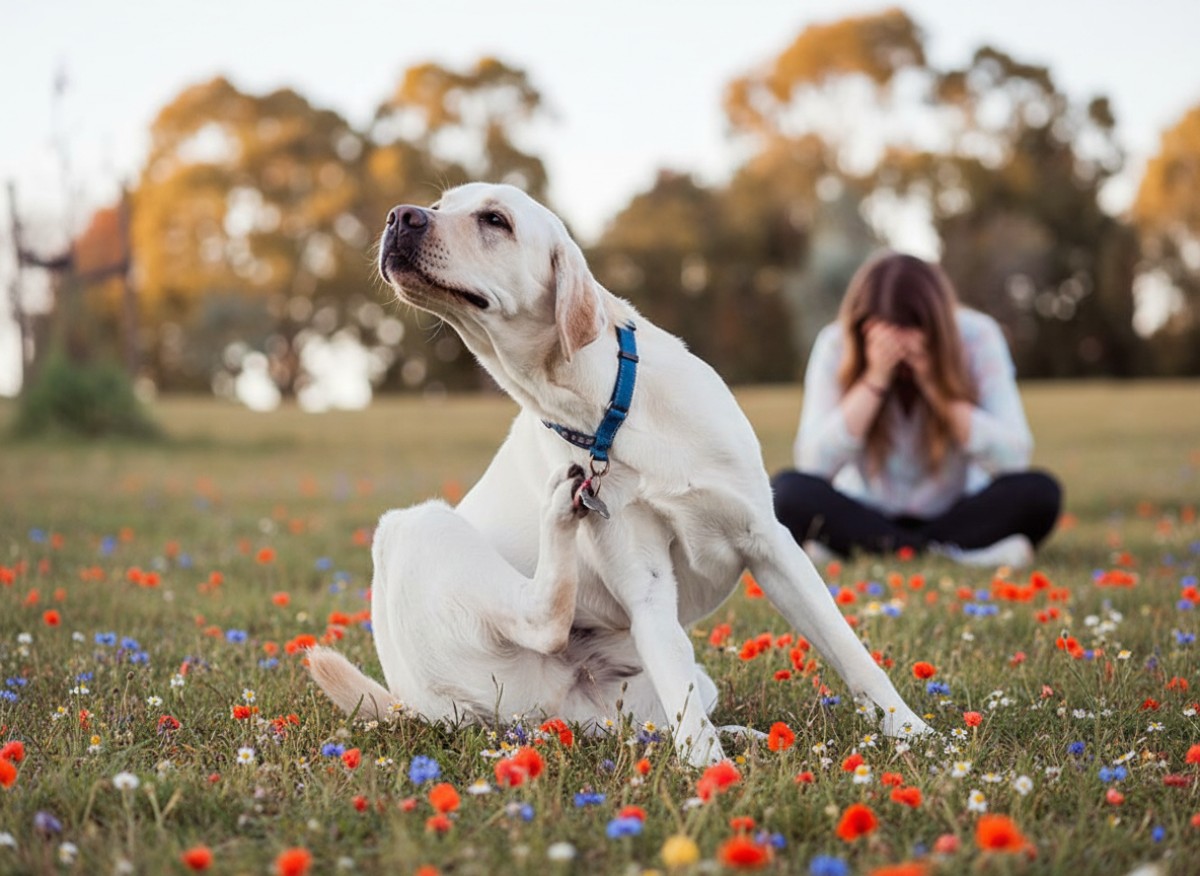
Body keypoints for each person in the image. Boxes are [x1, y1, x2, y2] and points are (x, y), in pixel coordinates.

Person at [772, 252, 1061, 568]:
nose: (900, 355)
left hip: (957, 512)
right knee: (786, 492)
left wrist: (935, 386)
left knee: (1040, 493)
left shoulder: (977, 336)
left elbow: (1013, 457)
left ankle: (869, 551)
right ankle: (958, 554)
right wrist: (874, 380)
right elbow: (813, 464)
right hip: (866, 512)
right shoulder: (835, 344)